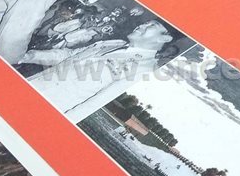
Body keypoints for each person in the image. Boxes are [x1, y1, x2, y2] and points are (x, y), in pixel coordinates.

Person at [19, 20, 174, 122]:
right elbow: (68, 56)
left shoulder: (145, 69)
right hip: (32, 86)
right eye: (144, 23)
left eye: (150, 26)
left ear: (164, 39)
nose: (141, 25)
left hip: (48, 110)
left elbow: (94, 104)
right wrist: (29, 56)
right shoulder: (114, 43)